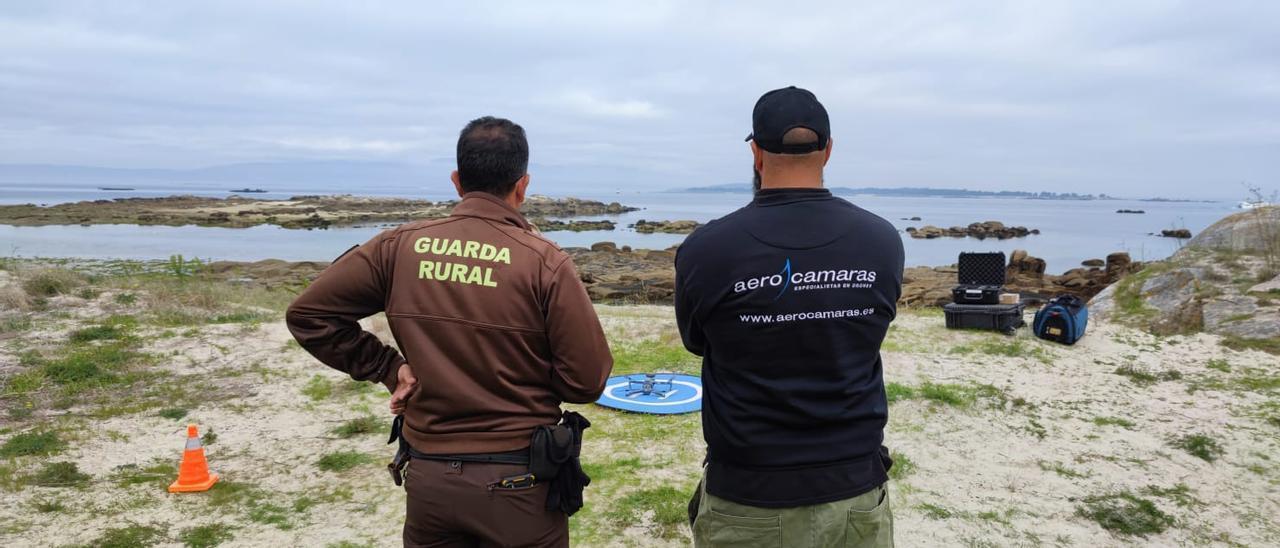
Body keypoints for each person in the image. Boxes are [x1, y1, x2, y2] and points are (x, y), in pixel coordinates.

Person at [286, 116, 613, 547]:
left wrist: (390, 369)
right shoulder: (544, 261)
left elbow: (309, 314)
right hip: (520, 482)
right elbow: (586, 381)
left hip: (429, 479)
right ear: (523, 185)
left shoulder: (397, 246)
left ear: (458, 182)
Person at [675, 86, 903, 547]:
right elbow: (866, 331)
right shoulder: (882, 241)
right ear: (829, 151)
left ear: (756, 153)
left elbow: (698, 341)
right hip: (856, 489)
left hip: (749, 493)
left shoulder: (709, 249)